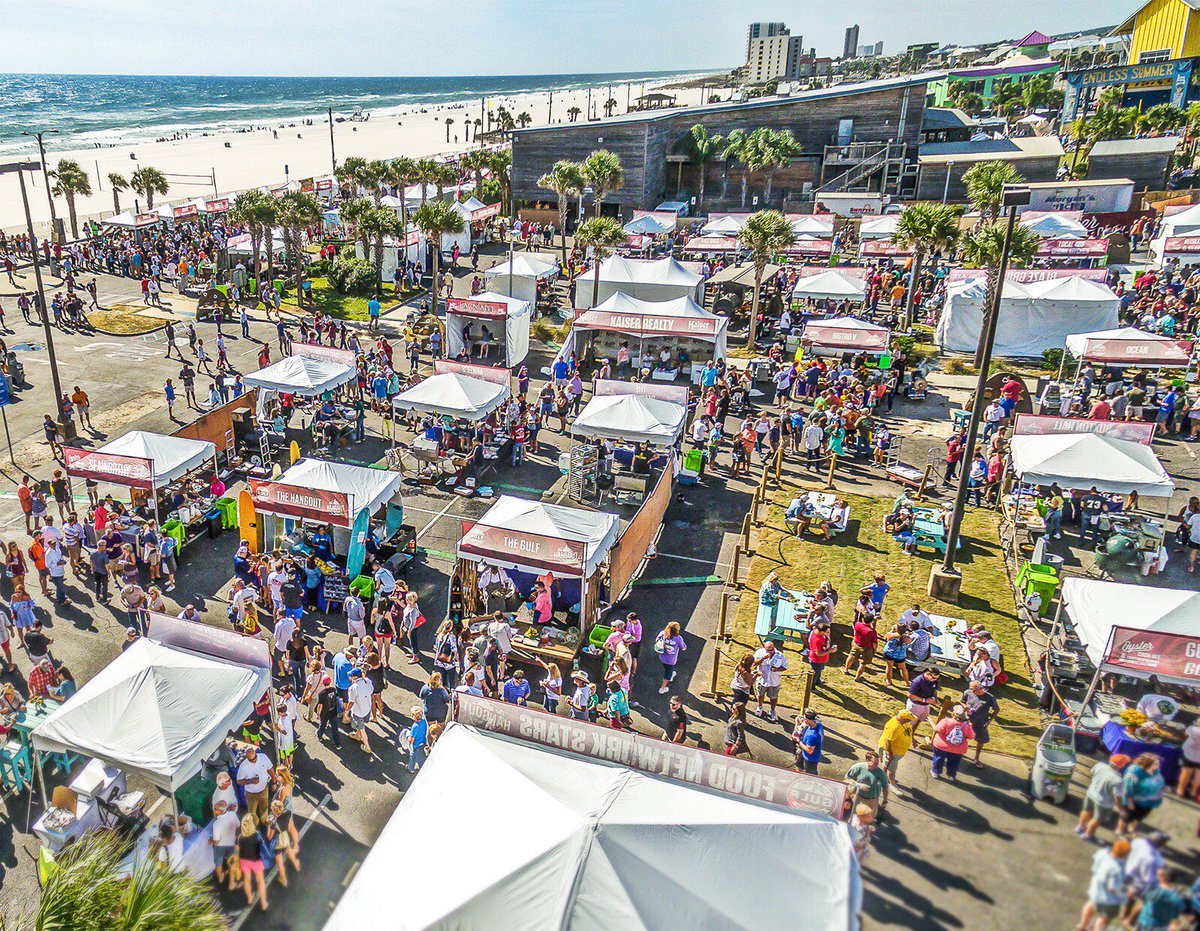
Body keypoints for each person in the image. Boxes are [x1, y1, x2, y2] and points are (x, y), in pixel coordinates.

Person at [1119, 754, 1165, 835]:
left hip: (1148, 802)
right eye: (1156, 764)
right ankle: (1120, 830)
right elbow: (1127, 788)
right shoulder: (1134, 772)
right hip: (1134, 801)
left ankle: (1131, 829)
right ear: (1148, 764)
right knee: (1127, 817)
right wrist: (1129, 801)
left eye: (1158, 763)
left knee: (1139, 817)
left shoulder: (1155, 771)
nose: (1159, 765)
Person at [961, 679, 1000, 768]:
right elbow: (962, 701)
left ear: (980, 688)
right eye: (971, 689)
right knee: (962, 736)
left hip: (981, 722)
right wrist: (965, 707)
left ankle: (976, 758)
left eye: (974, 690)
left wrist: (989, 721)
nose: (972, 692)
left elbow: (997, 709)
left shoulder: (990, 697)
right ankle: (959, 752)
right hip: (967, 720)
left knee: (981, 740)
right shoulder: (968, 692)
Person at [930, 704, 974, 781]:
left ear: (953, 713)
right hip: (958, 749)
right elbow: (971, 736)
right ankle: (951, 775)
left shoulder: (946, 721)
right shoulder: (967, 726)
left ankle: (935, 772)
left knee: (938, 758)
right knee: (954, 762)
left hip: (942, 746)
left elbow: (937, 730)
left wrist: (931, 722)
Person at [235, 814, 269, 910]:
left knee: (247, 880)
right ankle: (263, 903)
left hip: (244, 861)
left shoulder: (240, 837)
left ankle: (250, 898)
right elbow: (263, 846)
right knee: (260, 881)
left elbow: (237, 848)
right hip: (256, 861)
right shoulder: (257, 835)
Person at [877, 710, 916, 790]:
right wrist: (889, 753)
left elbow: (909, 732)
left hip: (898, 751)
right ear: (903, 718)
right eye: (909, 719)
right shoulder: (894, 727)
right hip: (893, 752)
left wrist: (912, 740)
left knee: (887, 765)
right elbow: (887, 741)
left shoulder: (904, 723)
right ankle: (892, 783)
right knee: (891, 769)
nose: (910, 721)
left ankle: (882, 777)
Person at [236, 744, 273, 826]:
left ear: (256, 753)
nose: (254, 760)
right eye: (251, 760)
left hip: (264, 789)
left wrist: (274, 781)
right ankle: (254, 826)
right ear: (247, 758)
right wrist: (250, 781)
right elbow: (239, 781)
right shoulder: (243, 766)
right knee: (252, 812)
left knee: (265, 808)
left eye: (255, 758)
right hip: (251, 794)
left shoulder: (263, 757)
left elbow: (270, 769)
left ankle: (265, 823)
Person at [752, 639, 788, 721]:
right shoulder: (759, 652)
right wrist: (763, 658)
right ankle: (760, 706)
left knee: (774, 697)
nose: (770, 652)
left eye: (771, 650)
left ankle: (772, 710)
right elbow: (754, 663)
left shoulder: (780, 655)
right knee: (760, 694)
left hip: (774, 681)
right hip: (762, 679)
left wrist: (777, 669)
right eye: (768, 650)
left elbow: (785, 667)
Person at [846, 749, 890, 815]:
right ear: (867, 760)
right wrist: (858, 785)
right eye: (875, 763)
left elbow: (885, 787)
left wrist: (885, 800)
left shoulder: (881, 773)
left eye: (877, 763)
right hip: (859, 798)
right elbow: (847, 779)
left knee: (869, 818)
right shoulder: (857, 767)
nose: (877, 765)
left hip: (873, 800)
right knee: (857, 816)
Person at [210, 799, 241, 889]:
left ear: (220, 811)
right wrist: (237, 840)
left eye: (215, 809)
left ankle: (220, 878)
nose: (214, 810)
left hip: (220, 847)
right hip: (232, 844)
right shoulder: (233, 814)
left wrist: (211, 840)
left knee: (218, 863)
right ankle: (232, 884)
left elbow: (216, 841)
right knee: (232, 864)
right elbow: (238, 827)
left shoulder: (216, 824)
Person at [346, 668, 375, 754]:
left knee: (362, 729)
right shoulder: (368, 681)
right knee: (360, 726)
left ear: (355, 677)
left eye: (351, 676)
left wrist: (347, 711)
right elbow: (371, 691)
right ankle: (357, 735)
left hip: (358, 711)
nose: (350, 677)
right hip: (367, 707)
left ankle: (367, 746)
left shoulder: (353, 688)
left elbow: (351, 701)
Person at [654, 621, 686, 694]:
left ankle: (670, 674)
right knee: (667, 674)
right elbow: (683, 647)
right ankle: (662, 688)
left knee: (667, 668)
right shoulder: (678, 638)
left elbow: (657, 640)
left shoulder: (663, 633)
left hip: (662, 657)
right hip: (671, 660)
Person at [792, 709, 824, 774]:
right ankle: (798, 773)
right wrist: (798, 724)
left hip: (810, 759)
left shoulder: (813, 735)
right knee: (799, 766)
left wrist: (798, 741)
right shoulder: (818, 724)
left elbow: (809, 750)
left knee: (810, 775)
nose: (804, 720)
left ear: (808, 720)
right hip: (803, 753)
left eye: (805, 719)